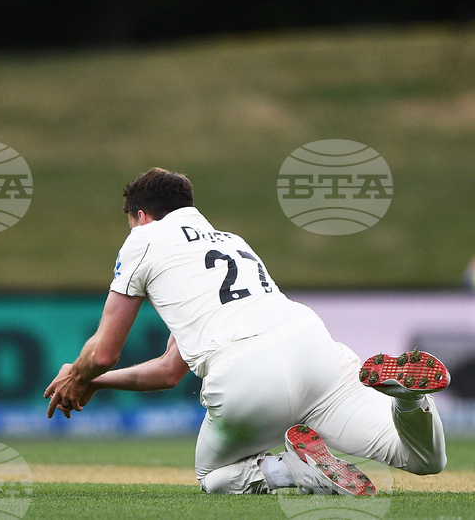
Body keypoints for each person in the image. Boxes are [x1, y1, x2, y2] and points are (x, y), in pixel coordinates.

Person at [45, 168, 450, 495]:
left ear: (141, 216)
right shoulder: (232, 240)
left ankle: (295, 468)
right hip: (314, 349)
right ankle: (409, 399)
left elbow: (103, 353)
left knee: (214, 476)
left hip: (246, 373)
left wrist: (78, 376)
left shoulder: (144, 239)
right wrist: (96, 384)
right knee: (425, 460)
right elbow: (171, 368)